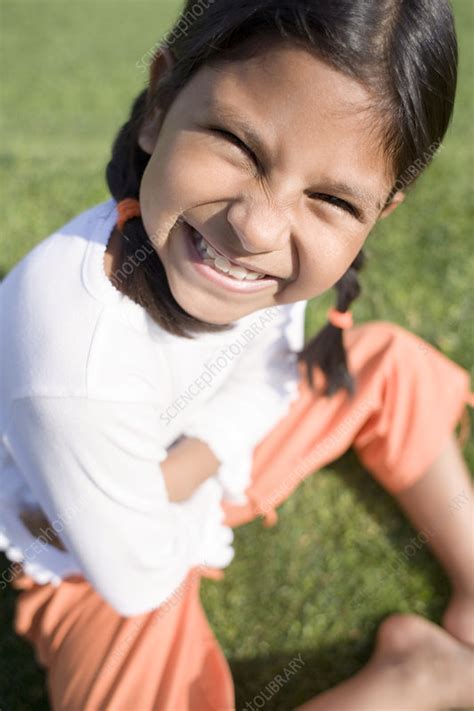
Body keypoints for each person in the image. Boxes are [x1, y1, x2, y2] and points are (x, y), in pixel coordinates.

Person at [1, 0, 473, 708]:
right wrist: (209, 463)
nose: (256, 227)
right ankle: (413, 682)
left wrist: (211, 451)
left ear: (380, 210)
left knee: (384, 368)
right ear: (160, 101)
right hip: (91, 548)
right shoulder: (70, 356)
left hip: (191, 460)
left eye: (331, 199)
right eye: (238, 145)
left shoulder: (262, 251)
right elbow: (140, 573)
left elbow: (269, 374)